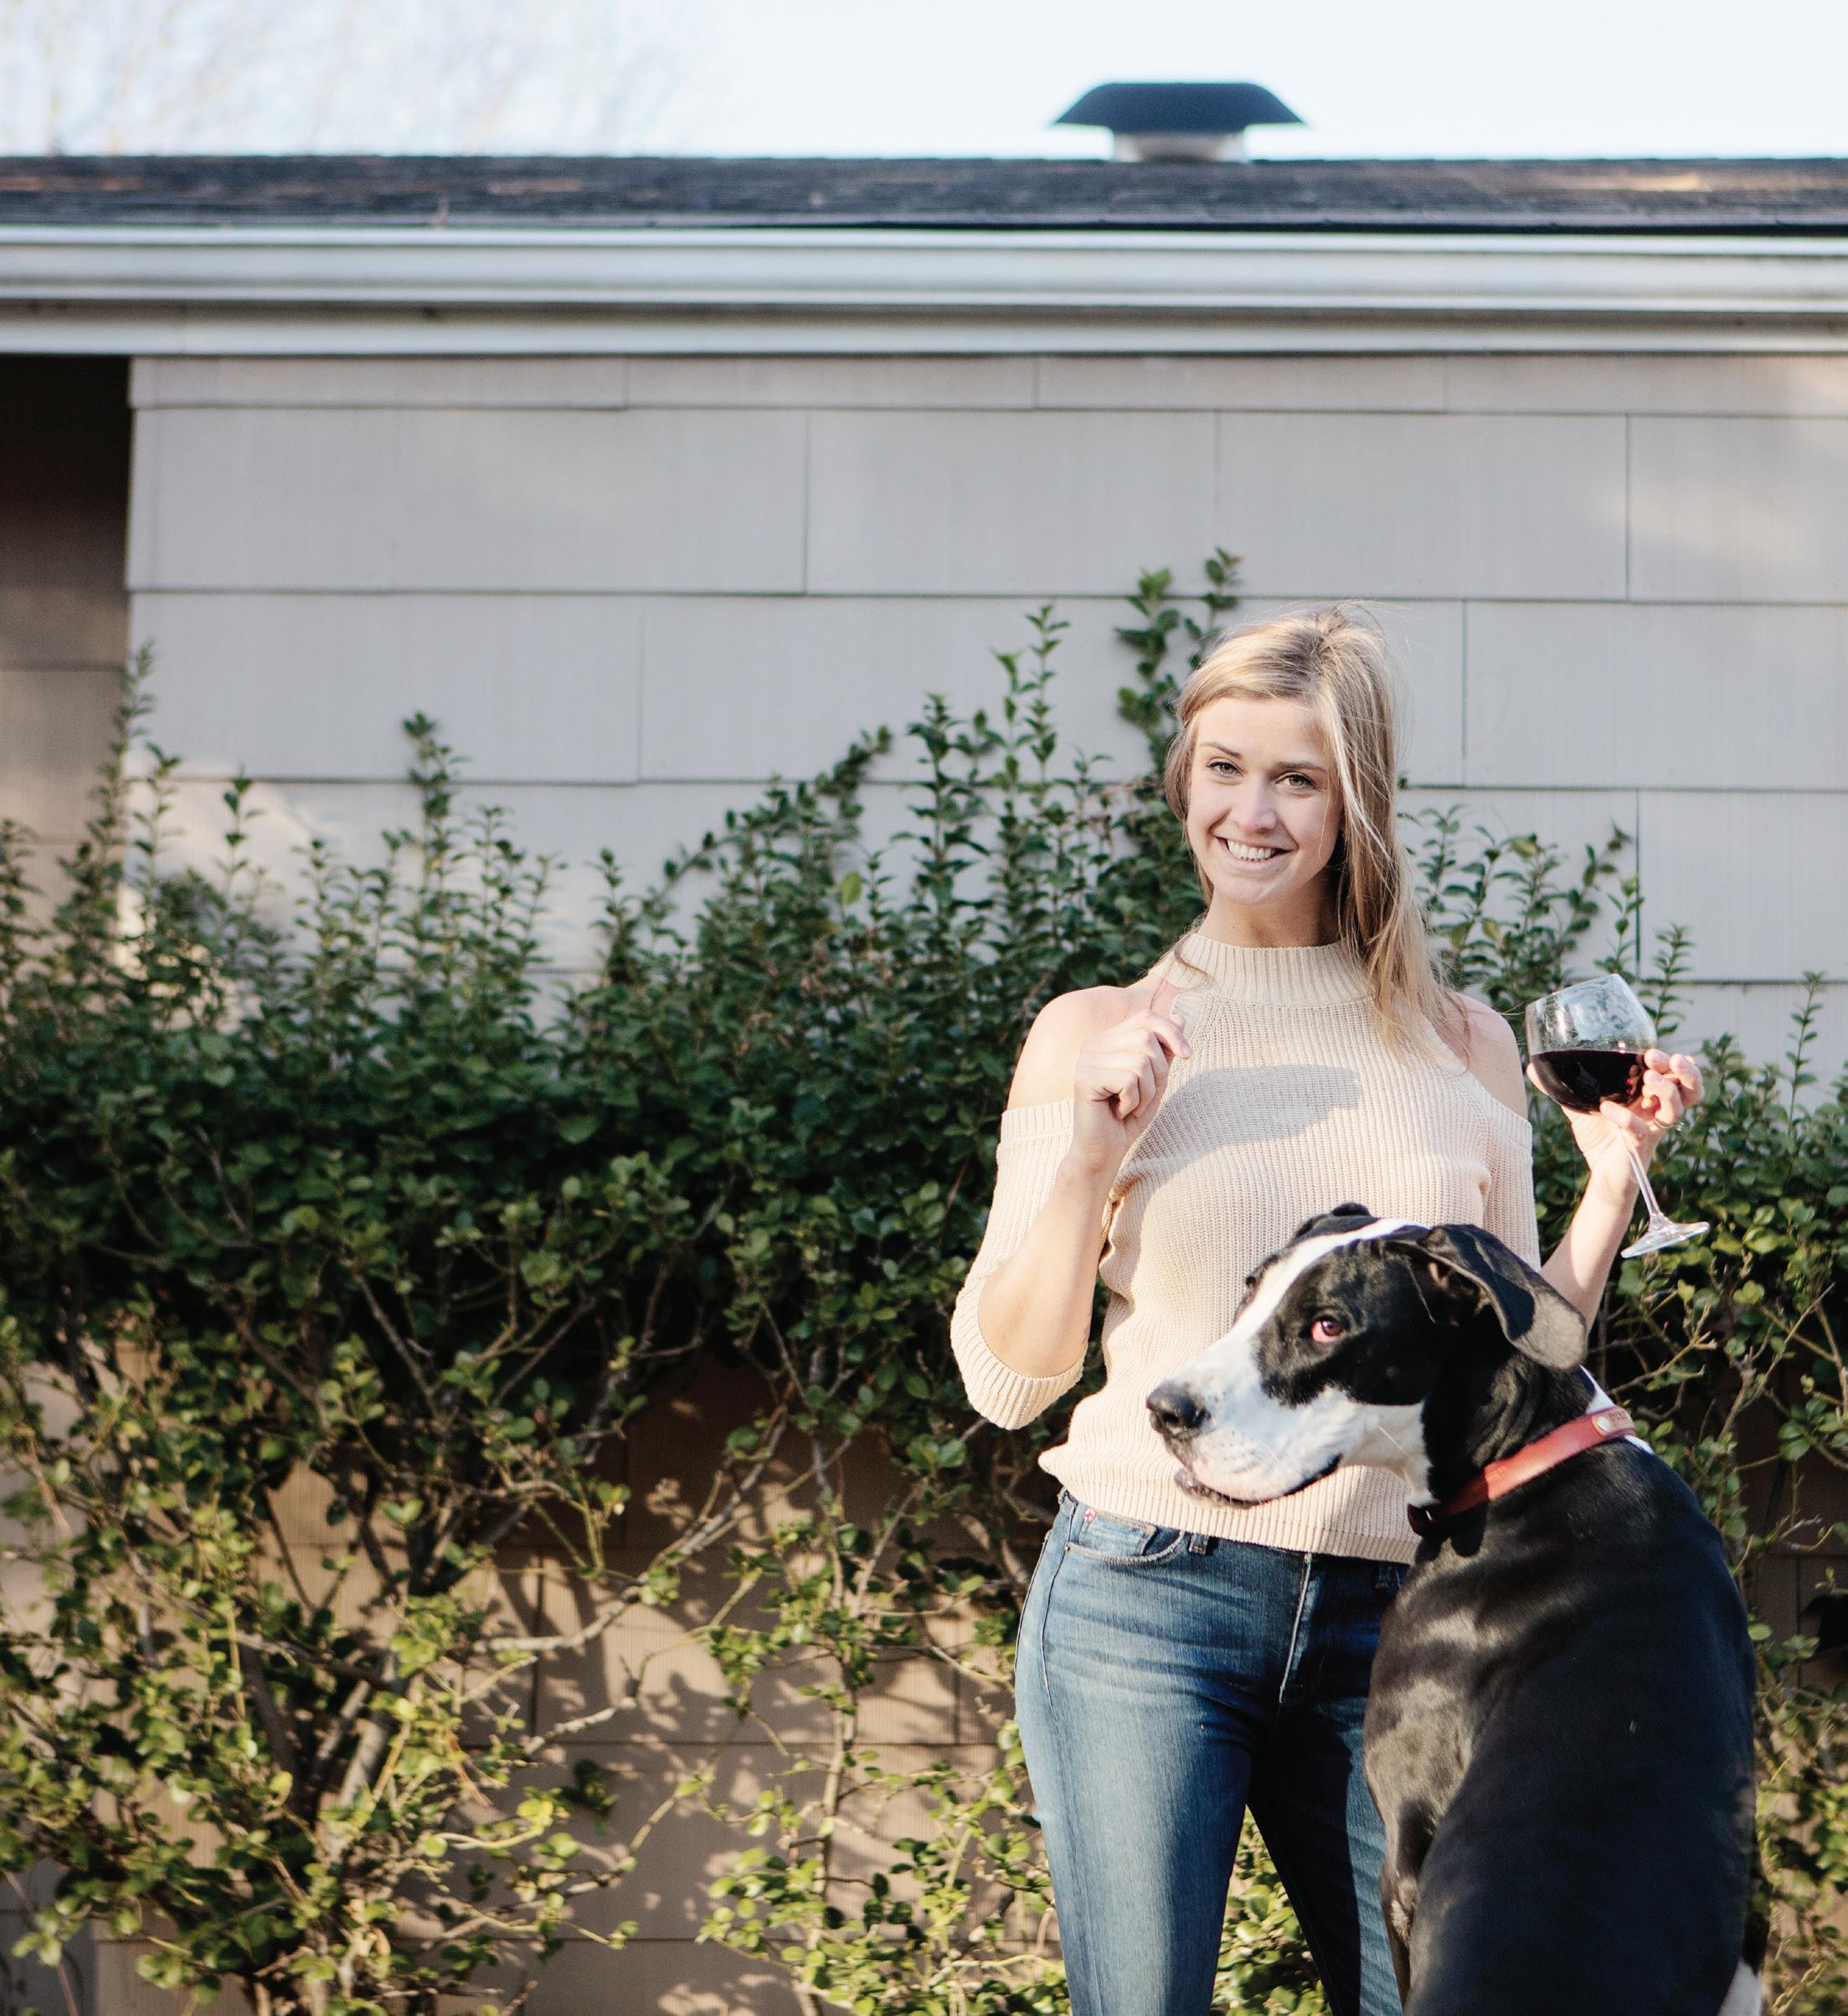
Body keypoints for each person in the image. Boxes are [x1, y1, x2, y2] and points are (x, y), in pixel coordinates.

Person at [948, 606, 1704, 2016]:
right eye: (1224, 768)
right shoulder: (1094, 1032)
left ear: (1355, 802)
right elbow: (1007, 1380)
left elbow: (1523, 1357)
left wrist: (1612, 1181)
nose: (1252, 813)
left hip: (1399, 1613)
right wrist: (1089, 1164)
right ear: (1183, 778)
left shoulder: (1465, 1044)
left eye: (1296, 779)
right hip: (1145, 1599)